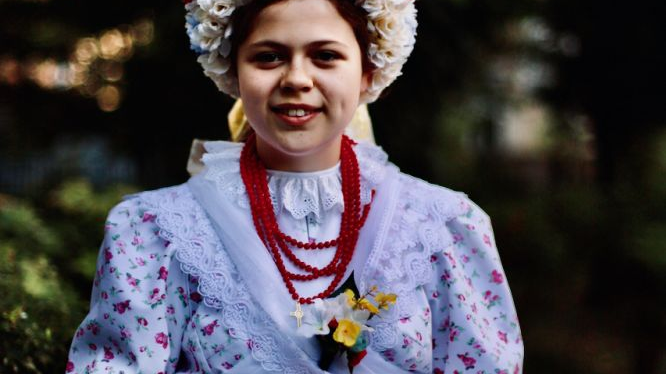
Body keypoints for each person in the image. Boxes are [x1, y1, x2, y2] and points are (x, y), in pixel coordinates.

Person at [66, 0, 524, 373]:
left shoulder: (445, 225)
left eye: (325, 56)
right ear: (233, 70)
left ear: (368, 72)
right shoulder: (152, 231)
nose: (297, 79)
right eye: (268, 56)